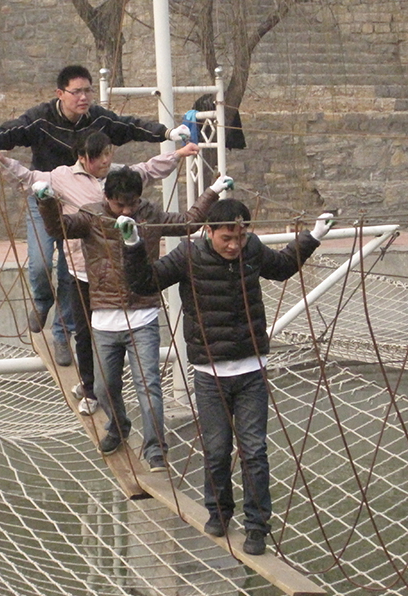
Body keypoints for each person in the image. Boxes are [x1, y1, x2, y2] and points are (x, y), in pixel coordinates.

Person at [120, 199, 333, 555]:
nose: (234, 245)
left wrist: (312, 237)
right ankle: (219, 511)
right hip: (210, 375)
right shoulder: (188, 255)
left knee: (254, 452)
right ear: (209, 231)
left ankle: (257, 527)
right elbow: (145, 281)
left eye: (240, 236)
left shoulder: (252, 250)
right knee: (217, 451)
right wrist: (132, 244)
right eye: (227, 238)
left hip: (251, 372)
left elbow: (282, 267)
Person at [0, 64, 190, 367]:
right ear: (60, 93)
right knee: (41, 263)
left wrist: (166, 133)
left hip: (83, 206)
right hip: (47, 194)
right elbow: (14, 131)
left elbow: (131, 128)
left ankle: (62, 334)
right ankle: (42, 301)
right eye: (77, 92)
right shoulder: (41, 118)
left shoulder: (99, 120)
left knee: (71, 271)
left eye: (88, 91)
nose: (84, 97)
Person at [0, 131, 200, 416]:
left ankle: (103, 388)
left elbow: (149, 169)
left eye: (109, 154)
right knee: (85, 332)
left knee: (116, 338)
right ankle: (89, 388)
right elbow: (28, 178)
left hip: (122, 273)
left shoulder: (121, 176)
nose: (106, 161)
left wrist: (178, 154)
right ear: (83, 158)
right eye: (99, 157)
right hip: (83, 269)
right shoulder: (62, 177)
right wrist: (2, 160)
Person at [36, 167, 234, 473]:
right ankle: (118, 426)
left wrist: (214, 190)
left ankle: (156, 450)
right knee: (104, 388)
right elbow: (58, 228)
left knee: (149, 386)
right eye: (120, 205)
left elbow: (188, 222)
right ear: (106, 198)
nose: (127, 211)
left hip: (143, 315)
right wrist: (46, 201)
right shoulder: (90, 216)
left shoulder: (149, 214)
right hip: (104, 318)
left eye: (133, 203)